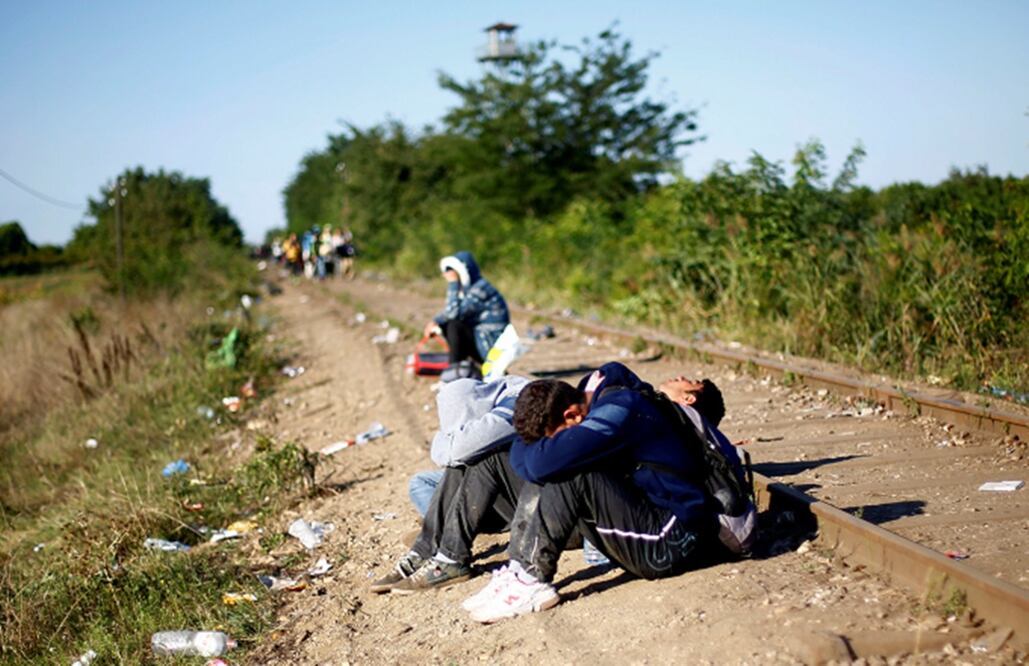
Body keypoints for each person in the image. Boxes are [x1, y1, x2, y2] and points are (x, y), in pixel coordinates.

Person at [378, 363, 732, 609]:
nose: (683, 376)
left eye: (692, 382)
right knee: (481, 462)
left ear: (689, 399)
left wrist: (523, 433)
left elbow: (541, 461)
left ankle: (527, 576)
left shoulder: (631, 409)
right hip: (619, 515)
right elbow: (607, 376)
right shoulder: (629, 400)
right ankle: (444, 553)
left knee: (563, 468)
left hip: (659, 539)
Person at [371, 375, 530, 594]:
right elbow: (442, 454)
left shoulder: (518, 402)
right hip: (497, 488)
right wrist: (458, 440)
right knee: (421, 482)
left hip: (527, 498)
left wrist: (458, 443)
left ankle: (451, 552)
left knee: (472, 455)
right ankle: (429, 546)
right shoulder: (487, 404)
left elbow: (458, 450)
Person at [423, 251, 510, 382]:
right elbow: (450, 312)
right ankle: (459, 370)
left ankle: (454, 373)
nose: (445, 275)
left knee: (454, 325)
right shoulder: (472, 288)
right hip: (482, 340)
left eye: (449, 271)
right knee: (448, 324)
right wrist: (435, 321)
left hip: (490, 345)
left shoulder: (480, 289)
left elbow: (453, 313)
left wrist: (453, 284)